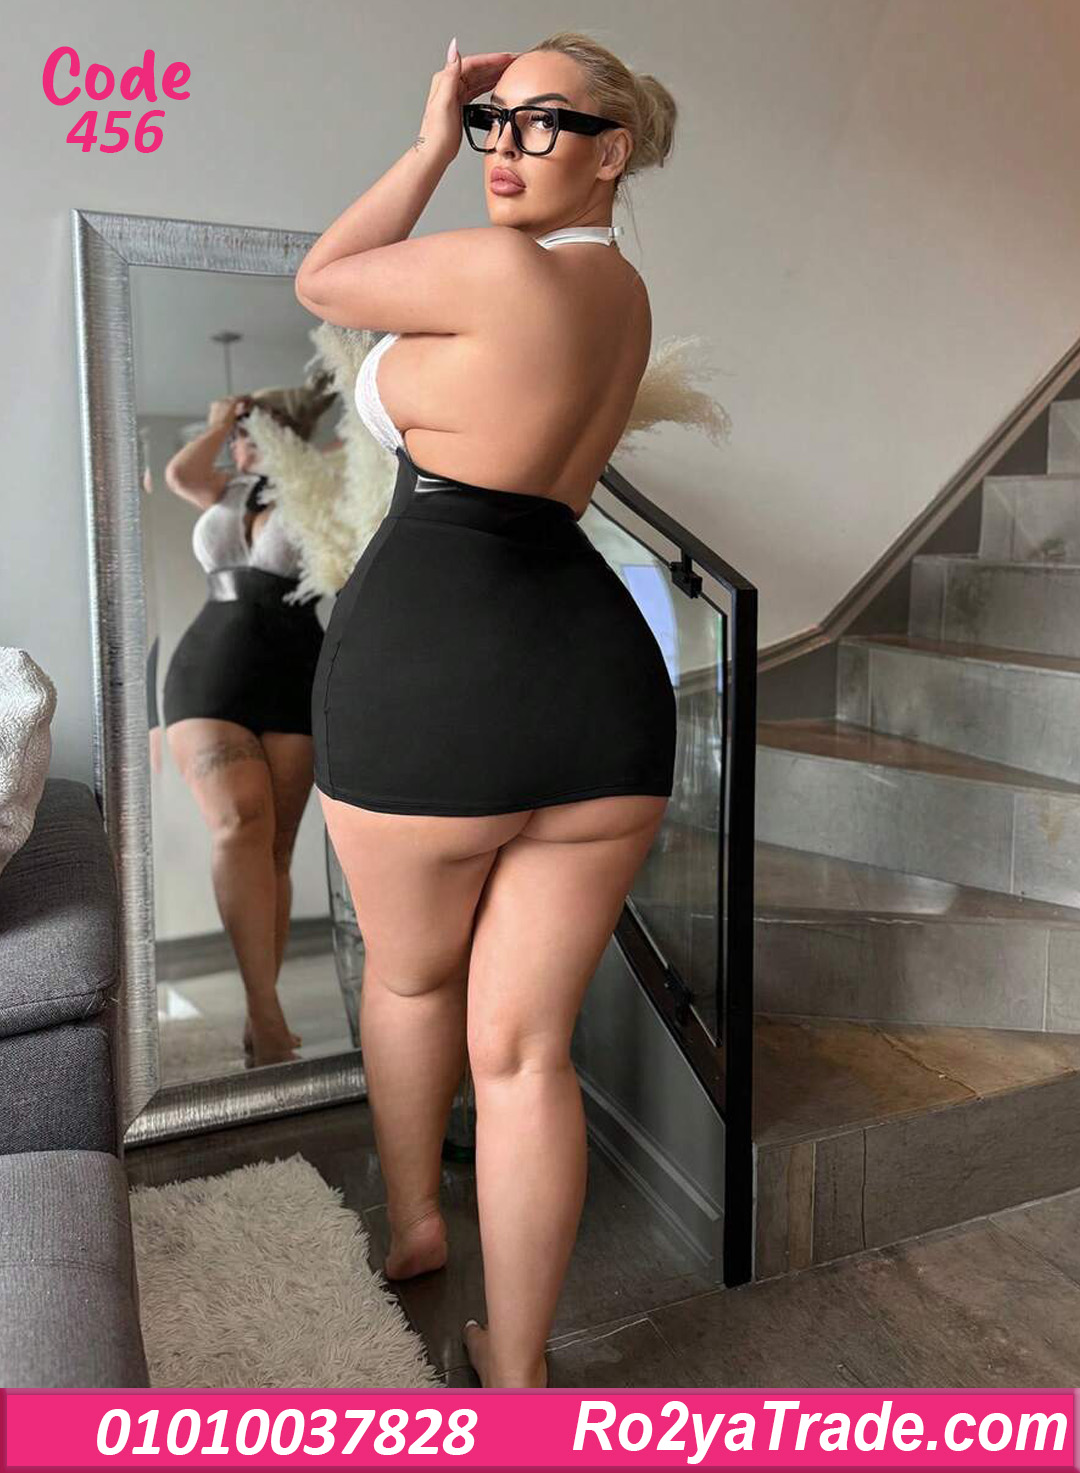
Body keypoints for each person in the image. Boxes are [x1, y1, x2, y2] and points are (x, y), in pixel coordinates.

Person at [294, 30, 677, 1388]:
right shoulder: (625, 297)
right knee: (525, 1055)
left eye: (542, 120)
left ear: (612, 150)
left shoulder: (500, 269)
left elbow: (325, 278)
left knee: (413, 979)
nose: (504, 148)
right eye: (488, 122)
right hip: (602, 695)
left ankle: (415, 1225)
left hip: (433, 683)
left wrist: (422, 140)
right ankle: (518, 1370)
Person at [161, 377, 335, 1067]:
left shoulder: (317, 485)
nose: (236, 446)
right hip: (211, 668)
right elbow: (180, 473)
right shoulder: (223, 492)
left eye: (247, 434)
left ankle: (265, 1013)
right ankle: (265, 1014)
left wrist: (291, 440)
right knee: (238, 824)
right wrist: (224, 417)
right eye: (234, 436)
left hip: (296, 667)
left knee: (276, 848)